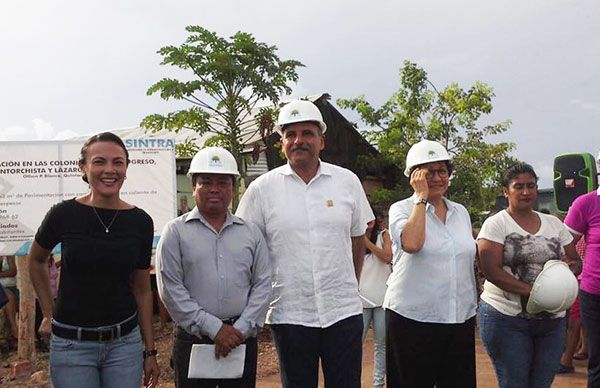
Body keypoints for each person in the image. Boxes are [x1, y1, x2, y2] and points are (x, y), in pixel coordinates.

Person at [236, 99, 374, 388]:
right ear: (282, 143)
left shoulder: (347, 182)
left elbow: (358, 236)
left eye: (307, 133)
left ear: (321, 141)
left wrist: (349, 280)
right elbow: (245, 247)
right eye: (291, 134)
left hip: (343, 311)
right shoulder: (261, 190)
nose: (299, 140)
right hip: (290, 313)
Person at [28, 132, 160, 388]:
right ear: (83, 168)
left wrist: (150, 350)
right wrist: (47, 311)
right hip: (71, 346)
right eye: (99, 162)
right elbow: (36, 260)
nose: (109, 170)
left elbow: (142, 290)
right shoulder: (63, 214)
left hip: (124, 345)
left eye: (118, 162)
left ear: (126, 168)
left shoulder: (141, 222)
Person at [156, 146, 271, 388]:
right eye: (206, 182)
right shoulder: (175, 232)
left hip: (241, 338)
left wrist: (238, 330)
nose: (215, 189)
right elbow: (171, 289)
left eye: (222, 182)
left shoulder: (250, 233)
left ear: (233, 186)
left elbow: (262, 284)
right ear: (193, 186)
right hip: (193, 340)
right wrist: (215, 329)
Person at [383, 139, 478, 388]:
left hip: (459, 318)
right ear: (414, 176)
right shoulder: (401, 209)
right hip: (412, 320)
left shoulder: (461, 212)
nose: (436, 178)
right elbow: (413, 244)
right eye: (428, 172)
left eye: (442, 171)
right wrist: (421, 198)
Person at [477, 162, 581, 388]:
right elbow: (492, 272)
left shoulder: (554, 224)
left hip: (552, 320)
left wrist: (566, 270)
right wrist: (537, 293)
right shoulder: (495, 225)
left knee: (542, 383)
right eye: (519, 187)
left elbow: (575, 261)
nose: (526, 192)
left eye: (531, 186)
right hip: (506, 317)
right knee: (514, 383)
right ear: (506, 191)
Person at [563, 150, 600, 387]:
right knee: (597, 360)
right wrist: (575, 264)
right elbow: (564, 244)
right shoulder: (586, 203)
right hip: (594, 293)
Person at [359, 209, 392, 388]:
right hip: (359, 299)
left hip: (382, 298)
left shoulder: (384, 235)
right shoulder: (352, 237)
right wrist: (360, 238)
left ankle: (378, 384)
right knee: (355, 345)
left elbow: (387, 257)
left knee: (382, 344)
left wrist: (365, 240)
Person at [0, 255, 18, 343]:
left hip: (11, 286)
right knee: (9, 297)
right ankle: (14, 329)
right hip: (3, 288)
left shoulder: (9, 254)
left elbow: (13, 271)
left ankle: (12, 335)